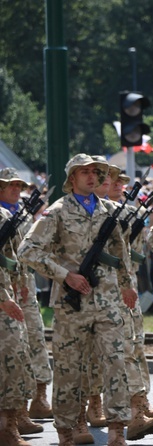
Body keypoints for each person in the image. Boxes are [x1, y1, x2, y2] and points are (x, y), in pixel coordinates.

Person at [17, 154, 143, 446]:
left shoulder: (109, 211)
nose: (90, 176)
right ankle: (66, 430)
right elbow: (28, 250)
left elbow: (120, 252)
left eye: (95, 172)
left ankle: (116, 430)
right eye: (83, 172)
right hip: (71, 305)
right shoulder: (57, 212)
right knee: (68, 370)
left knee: (115, 363)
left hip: (108, 302)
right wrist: (64, 275)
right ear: (71, 178)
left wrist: (126, 285)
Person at [91, 159, 153, 441]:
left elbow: (132, 253)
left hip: (124, 287)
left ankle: (138, 406)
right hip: (99, 292)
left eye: (121, 181)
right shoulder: (90, 213)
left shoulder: (124, 212)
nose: (118, 185)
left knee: (133, 348)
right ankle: (102, 408)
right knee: (106, 357)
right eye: (113, 180)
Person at [0, 169, 53, 431]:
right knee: (11, 349)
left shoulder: (19, 212)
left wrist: (21, 282)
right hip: (5, 288)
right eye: (10, 185)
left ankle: (35, 400)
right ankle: (13, 415)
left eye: (18, 185)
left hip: (22, 286)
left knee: (33, 339)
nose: (15, 189)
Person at [0, 205, 35, 446]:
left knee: (13, 360)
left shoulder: (3, 216)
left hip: (6, 300)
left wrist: (19, 282)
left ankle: (7, 426)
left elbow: (12, 254)